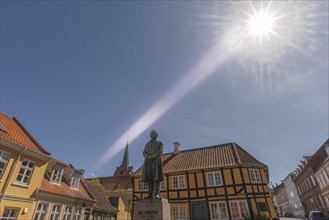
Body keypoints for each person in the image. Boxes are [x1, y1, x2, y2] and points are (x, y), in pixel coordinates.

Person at [142, 130, 164, 198]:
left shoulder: (160, 143)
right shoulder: (147, 144)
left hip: (156, 161)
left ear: (156, 135)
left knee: (156, 178)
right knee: (149, 177)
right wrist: (147, 156)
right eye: (151, 133)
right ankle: (150, 193)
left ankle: (156, 193)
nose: (152, 135)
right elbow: (144, 152)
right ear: (150, 135)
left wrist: (152, 156)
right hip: (148, 162)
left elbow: (160, 151)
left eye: (154, 133)